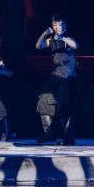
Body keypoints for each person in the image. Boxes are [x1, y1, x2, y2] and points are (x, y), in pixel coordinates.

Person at [35, 14, 78, 145]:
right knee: (44, 100)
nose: (57, 27)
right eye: (55, 25)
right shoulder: (52, 39)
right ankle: (49, 134)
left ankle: (68, 138)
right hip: (56, 74)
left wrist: (62, 38)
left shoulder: (67, 37)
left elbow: (75, 45)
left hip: (67, 75)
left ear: (64, 26)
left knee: (63, 105)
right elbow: (39, 46)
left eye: (60, 25)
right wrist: (45, 33)